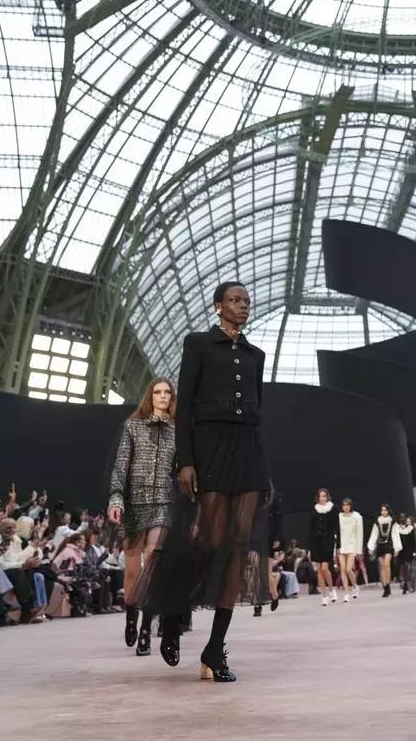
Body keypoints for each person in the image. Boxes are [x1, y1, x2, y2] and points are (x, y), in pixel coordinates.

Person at [133, 281, 270, 683]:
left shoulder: (255, 355)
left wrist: (265, 469)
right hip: (210, 448)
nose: (243, 305)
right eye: (234, 300)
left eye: (246, 300)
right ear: (218, 306)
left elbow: (258, 413)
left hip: (247, 451)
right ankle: (174, 615)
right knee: (210, 541)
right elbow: (186, 405)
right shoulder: (198, 344)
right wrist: (186, 461)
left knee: (240, 544)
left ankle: (215, 649)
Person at [107, 377, 177, 656]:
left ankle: (147, 629)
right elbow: (120, 465)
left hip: (163, 502)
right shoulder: (132, 426)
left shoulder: (178, 431)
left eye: (167, 393)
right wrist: (116, 498)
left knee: (154, 564)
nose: (162, 396)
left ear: (172, 397)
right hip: (134, 504)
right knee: (133, 570)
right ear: (150, 396)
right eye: (157, 392)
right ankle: (131, 617)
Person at [309, 488, 340, 606]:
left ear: (327, 497)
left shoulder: (333, 509)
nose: (322, 498)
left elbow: (337, 527)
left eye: (324, 496)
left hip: (328, 541)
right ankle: (324, 596)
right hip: (316, 542)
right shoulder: (314, 509)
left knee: (325, 568)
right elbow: (310, 529)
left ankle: (331, 589)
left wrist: (338, 545)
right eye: (320, 496)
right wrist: (309, 546)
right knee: (319, 570)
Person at [368, 504, 401, 598]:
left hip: (389, 545)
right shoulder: (377, 521)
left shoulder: (392, 521)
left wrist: (397, 548)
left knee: (386, 564)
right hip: (380, 546)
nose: (384, 512)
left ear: (388, 511)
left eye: (385, 510)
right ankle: (385, 586)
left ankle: (388, 585)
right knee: (382, 567)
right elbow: (374, 534)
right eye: (382, 510)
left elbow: (395, 535)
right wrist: (371, 547)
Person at [336, 499, 363, 602]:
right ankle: (346, 593)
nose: (346, 507)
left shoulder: (357, 517)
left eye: (348, 505)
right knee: (342, 569)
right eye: (344, 505)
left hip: (352, 545)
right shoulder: (339, 517)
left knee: (348, 569)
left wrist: (358, 550)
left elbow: (359, 533)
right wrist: (336, 546)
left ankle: (355, 586)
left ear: (351, 506)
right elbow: (336, 533)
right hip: (341, 546)